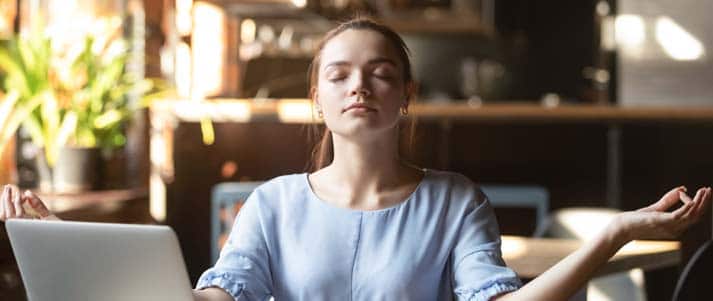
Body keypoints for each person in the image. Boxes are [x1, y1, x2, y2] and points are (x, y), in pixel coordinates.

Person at [1, 17, 711, 301]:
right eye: (338, 73)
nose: (358, 85)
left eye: (378, 72)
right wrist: (67, 245)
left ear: (405, 94)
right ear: (317, 95)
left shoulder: (456, 200)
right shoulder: (274, 202)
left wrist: (609, 235)